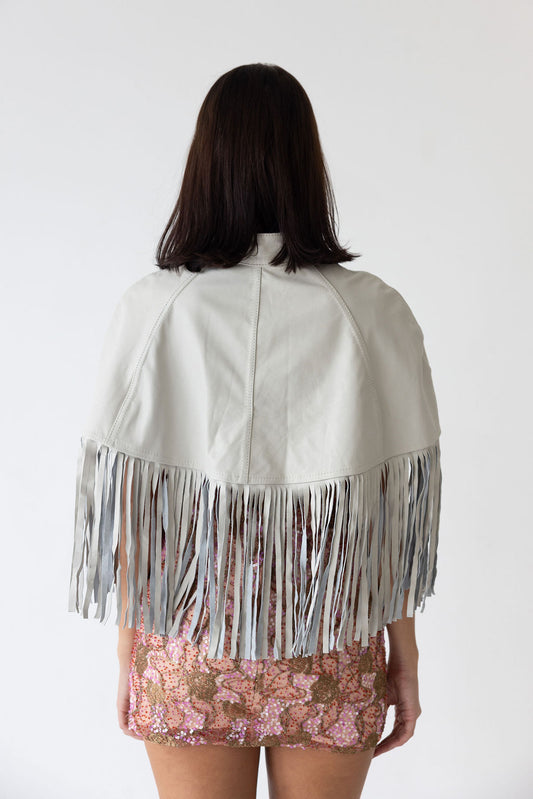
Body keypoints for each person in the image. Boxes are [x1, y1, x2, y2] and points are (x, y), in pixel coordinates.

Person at [68, 63, 442, 799]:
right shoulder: (372, 310)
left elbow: (133, 506)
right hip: (330, 647)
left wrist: (128, 656)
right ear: (308, 165)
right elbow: (389, 513)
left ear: (205, 164)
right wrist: (404, 655)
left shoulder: (155, 309)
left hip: (187, 648)